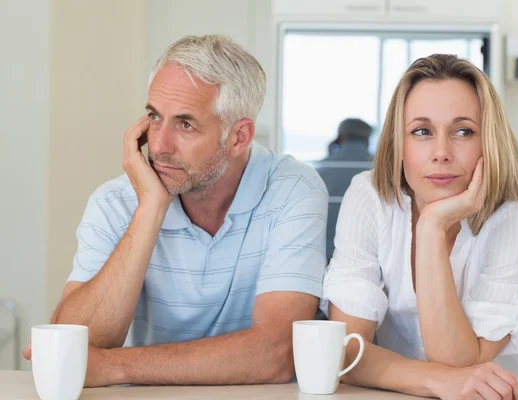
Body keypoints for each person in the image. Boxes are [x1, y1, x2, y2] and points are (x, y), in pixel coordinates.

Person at [23, 35, 328, 387]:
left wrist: (115, 367)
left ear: (239, 137)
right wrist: (150, 210)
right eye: (154, 116)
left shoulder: (294, 190)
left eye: (185, 124)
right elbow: (72, 347)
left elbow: (276, 353)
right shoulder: (115, 201)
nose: (159, 145)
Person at [321, 54, 518, 399]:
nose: (441, 152)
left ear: (489, 141)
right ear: (398, 145)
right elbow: (346, 351)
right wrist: (434, 381)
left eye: (463, 131)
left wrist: (431, 227)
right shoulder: (371, 198)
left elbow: (458, 364)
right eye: (422, 131)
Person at [317, 118, 373, 261]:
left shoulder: (321, 169)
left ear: (340, 136)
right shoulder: (381, 168)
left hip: (325, 253)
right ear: (368, 138)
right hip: (368, 254)